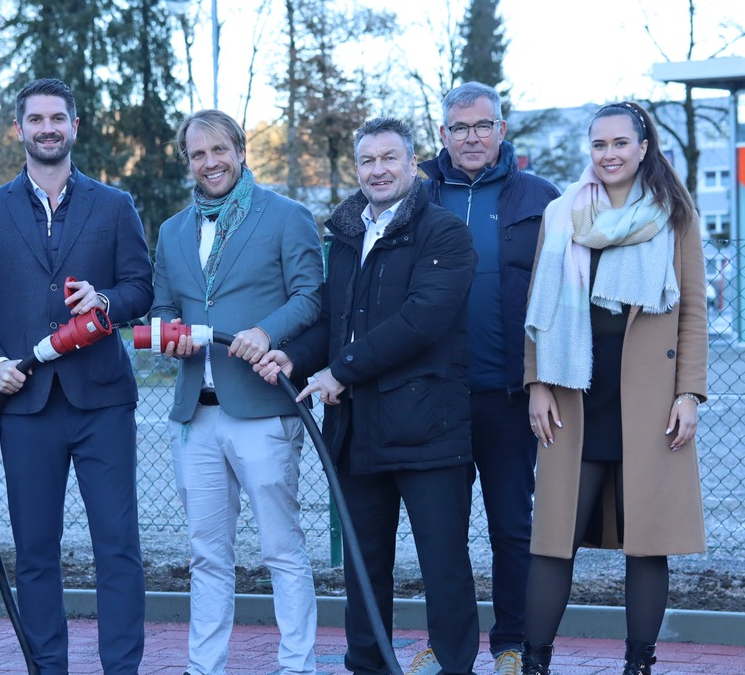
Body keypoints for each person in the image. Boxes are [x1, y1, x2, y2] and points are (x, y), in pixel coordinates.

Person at [255, 118, 480, 675]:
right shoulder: (346, 235)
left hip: (429, 430)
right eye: (367, 161)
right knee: (363, 566)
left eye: (389, 158)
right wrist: (298, 357)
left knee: (444, 564)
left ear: (412, 164)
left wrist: (341, 371)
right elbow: (334, 321)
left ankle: (453, 665)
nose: (378, 170)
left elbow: (421, 321)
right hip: (356, 431)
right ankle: (368, 665)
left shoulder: (444, 233)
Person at [0, 78, 152, 674]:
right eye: (35, 119)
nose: (47, 128)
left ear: (74, 126)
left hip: (102, 402)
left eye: (57, 117)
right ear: (19, 129)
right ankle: (48, 668)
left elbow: (142, 288)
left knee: (118, 548)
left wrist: (105, 298)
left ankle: (122, 668)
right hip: (24, 403)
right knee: (35, 552)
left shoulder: (115, 206)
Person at [521, 101, 707, 675]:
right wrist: (537, 383)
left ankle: (639, 665)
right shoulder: (562, 215)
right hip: (574, 391)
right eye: (599, 145)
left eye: (620, 144)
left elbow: (693, 311)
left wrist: (689, 394)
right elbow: (539, 307)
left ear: (643, 146)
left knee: (647, 543)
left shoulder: (674, 213)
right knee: (555, 540)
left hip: (649, 402)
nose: (608, 155)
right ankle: (535, 662)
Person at [149, 109, 324, 675]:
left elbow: (310, 296)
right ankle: (205, 666)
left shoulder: (286, 217)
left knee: (282, 549)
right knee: (207, 555)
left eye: (218, 150)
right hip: (195, 417)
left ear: (241, 151)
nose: (209, 163)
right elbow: (162, 310)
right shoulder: (173, 231)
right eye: (197, 155)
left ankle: (296, 665)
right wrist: (169, 338)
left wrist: (266, 331)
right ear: (189, 162)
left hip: (262, 410)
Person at [419, 81, 560, 675]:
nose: (471, 137)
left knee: (512, 526)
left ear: (502, 130)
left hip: (510, 395)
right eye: (459, 128)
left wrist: (543, 381)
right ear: (442, 135)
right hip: (435, 395)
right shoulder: (417, 196)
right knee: (441, 534)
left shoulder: (542, 199)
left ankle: (511, 644)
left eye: (483, 126)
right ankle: (446, 647)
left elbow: (562, 297)